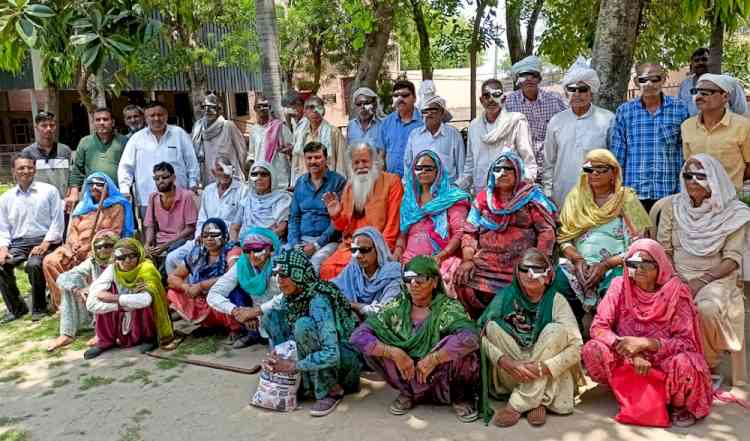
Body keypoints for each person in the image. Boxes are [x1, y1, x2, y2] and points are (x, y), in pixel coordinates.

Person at [582, 239, 713, 427]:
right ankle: (627, 391)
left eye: (646, 264)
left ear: (660, 265)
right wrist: (632, 351)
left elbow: (687, 342)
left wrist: (646, 344)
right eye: (633, 264)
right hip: (628, 358)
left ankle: (676, 403)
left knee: (688, 363)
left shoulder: (677, 292)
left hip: (665, 361)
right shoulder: (619, 286)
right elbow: (599, 327)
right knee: (593, 349)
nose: (639, 269)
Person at [350, 256, 479, 422]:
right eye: (408, 279)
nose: (413, 285)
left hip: (441, 375)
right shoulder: (396, 306)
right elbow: (357, 336)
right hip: (408, 372)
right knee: (374, 344)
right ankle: (408, 392)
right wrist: (394, 352)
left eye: (420, 279)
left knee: (462, 348)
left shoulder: (448, 307)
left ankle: (459, 396)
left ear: (434, 282)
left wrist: (434, 358)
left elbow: (471, 337)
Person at [656, 154, 750, 375]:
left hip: (715, 278)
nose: (692, 181)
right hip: (674, 274)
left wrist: (701, 281)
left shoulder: (733, 213)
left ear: (714, 178)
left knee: (706, 309)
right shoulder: (673, 206)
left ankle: (706, 363)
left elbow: (732, 258)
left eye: (701, 176)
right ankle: (669, 363)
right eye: (688, 175)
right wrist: (676, 278)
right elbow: (664, 250)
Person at [479, 248, 583, 427]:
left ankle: (518, 404)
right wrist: (505, 362)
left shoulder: (556, 300)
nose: (530, 274)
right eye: (524, 269)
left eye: (536, 269)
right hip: (515, 371)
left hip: (545, 370)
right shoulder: (505, 297)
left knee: (556, 331)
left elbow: (577, 348)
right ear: (517, 273)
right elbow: (478, 335)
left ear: (548, 275)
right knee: (491, 328)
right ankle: (538, 400)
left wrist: (542, 367)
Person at [454, 152, 556, 319]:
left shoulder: (531, 197)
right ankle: (480, 323)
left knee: (531, 285)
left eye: (508, 169)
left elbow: (546, 231)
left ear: (518, 171)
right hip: (485, 263)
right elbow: (470, 231)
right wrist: (467, 260)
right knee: (461, 279)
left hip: (519, 264)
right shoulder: (483, 198)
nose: (503, 173)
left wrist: (537, 263)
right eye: (498, 169)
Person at [261, 249, 362, 417]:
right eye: (277, 275)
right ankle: (301, 384)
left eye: (284, 274)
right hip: (316, 353)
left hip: (343, 362)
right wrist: (278, 356)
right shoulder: (292, 297)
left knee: (303, 325)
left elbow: (332, 353)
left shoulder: (318, 299)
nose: (279, 281)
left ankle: (331, 390)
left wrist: (292, 365)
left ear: (298, 273)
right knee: (270, 317)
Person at [557, 149, 651, 316]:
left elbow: (641, 246)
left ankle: (608, 331)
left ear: (613, 172)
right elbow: (564, 239)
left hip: (617, 264)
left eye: (601, 169)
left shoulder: (627, 198)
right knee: (557, 280)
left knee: (616, 284)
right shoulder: (574, 198)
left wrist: (605, 265)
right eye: (589, 169)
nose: (594, 173)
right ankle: (574, 330)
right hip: (580, 264)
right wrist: (578, 260)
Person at [43, 173, 133, 308]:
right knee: (50, 261)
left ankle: (91, 302)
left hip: (100, 247)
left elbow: (114, 233)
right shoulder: (82, 206)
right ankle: (64, 304)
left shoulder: (117, 206)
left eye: (100, 184)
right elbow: (72, 231)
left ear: (108, 187)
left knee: (94, 260)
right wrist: (74, 243)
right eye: (92, 184)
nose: (95, 187)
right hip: (75, 247)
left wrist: (90, 246)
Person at [610, 63, 689, 212]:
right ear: (635, 82)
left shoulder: (680, 109)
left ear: (664, 79)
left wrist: (682, 187)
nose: (649, 84)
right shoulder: (625, 111)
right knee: (636, 234)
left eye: (655, 79)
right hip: (633, 193)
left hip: (669, 191)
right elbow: (617, 155)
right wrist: (617, 190)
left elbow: (685, 151)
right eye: (643, 79)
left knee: (665, 234)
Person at [319, 142, 404, 280]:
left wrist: (381, 252)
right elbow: (343, 227)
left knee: (351, 272)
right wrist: (336, 216)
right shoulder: (350, 186)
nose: (360, 166)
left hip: (377, 246)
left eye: (365, 161)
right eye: (356, 162)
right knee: (327, 269)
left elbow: (393, 226)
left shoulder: (392, 182)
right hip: (350, 245)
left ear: (375, 162)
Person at [0, 153, 64, 322]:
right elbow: (3, 228)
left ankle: (39, 307)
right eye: (21, 168)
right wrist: (3, 249)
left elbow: (58, 222)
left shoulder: (49, 191)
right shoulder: (6, 198)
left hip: (45, 239)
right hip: (19, 244)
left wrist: (45, 243)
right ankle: (16, 309)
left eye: (29, 167)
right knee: (1, 265)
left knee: (35, 264)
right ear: (13, 171)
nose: (26, 171)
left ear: (35, 169)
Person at [84, 238, 174, 359]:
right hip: (123, 310)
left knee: (147, 294)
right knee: (108, 290)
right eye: (121, 257)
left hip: (141, 314)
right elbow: (91, 303)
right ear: (116, 259)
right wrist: (120, 305)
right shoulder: (113, 269)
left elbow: (145, 300)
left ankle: (150, 338)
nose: (127, 261)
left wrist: (116, 298)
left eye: (132, 256)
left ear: (139, 255)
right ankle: (105, 341)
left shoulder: (146, 268)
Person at [395, 150, 469, 295]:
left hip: (441, 257)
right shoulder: (409, 199)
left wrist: (441, 256)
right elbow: (403, 233)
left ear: (438, 171)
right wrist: (398, 249)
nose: (423, 171)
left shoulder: (451, 197)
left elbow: (460, 232)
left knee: (439, 282)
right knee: (392, 277)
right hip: (409, 258)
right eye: (418, 168)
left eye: (428, 168)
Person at [543, 58, 614, 206]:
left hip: (598, 194)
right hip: (562, 194)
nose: (577, 94)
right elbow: (549, 161)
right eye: (572, 89)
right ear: (566, 92)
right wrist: (547, 193)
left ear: (591, 92)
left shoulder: (608, 119)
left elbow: (614, 160)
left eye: (582, 89)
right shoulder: (556, 121)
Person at [165, 156, 246, 273]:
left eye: (227, 169)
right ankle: (184, 288)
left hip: (226, 241)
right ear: (213, 172)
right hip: (204, 238)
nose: (225, 174)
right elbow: (202, 219)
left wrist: (227, 240)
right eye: (220, 170)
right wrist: (200, 235)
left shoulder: (242, 190)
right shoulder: (208, 190)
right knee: (172, 259)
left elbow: (239, 224)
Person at [118, 101, 200, 218]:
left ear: (166, 115)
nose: (156, 118)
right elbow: (126, 167)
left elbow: (191, 162)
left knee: (181, 233)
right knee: (150, 232)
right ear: (145, 118)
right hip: (147, 197)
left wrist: (193, 184)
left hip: (178, 196)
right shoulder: (136, 139)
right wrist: (125, 189)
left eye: (160, 115)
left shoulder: (179, 134)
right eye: (152, 115)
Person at [459, 78, 537, 194]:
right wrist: (457, 187)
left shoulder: (515, 122)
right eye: (487, 96)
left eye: (496, 94)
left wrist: (520, 191)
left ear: (503, 98)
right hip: (482, 194)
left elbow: (529, 163)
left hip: (510, 195)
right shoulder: (474, 126)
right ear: (481, 100)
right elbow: (470, 165)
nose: (491, 100)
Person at [207, 227, 282, 348]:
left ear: (270, 248)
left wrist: (256, 311)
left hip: (285, 314)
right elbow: (213, 294)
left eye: (257, 249)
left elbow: (288, 297)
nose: (252, 255)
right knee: (235, 292)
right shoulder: (242, 265)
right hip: (258, 316)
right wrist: (237, 311)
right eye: (247, 250)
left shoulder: (281, 265)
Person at [46, 230, 119, 352]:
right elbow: (62, 278)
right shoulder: (92, 262)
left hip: (118, 303)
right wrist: (77, 289)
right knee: (72, 282)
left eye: (107, 246)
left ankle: (101, 332)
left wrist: (92, 289)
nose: (102, 250)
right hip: (95, 304)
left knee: (103, 291)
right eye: (98, 247)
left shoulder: (122, 259)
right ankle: (67, 334)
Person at [167, 219, 243, 333]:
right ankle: (209, 326)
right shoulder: (198, 253)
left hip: (222, 297)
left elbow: (232, 276)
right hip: (203, 298)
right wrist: (186, 287)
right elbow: (173, 277)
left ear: (225, 236)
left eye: (214, 235)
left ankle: (235, 329)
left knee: (233, 291)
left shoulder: (233, 250)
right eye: (205, 235)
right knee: (174, 291)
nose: (209, 239)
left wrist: (202, 286)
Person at [681, 74, 750, 192]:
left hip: (731, 199)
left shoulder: (743, 126)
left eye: (705, 92)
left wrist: (729, 183)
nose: (698, 96)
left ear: (725, 96)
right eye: (696, 92)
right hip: (698, 199)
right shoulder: (687, 126)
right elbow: (689, 163)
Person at [505, 55, 567, 179]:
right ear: (517, 81)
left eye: (533, 75)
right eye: (524, 76)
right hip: (521, 170)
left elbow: (568, 127)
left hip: (550, 169)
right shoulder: (508, 103)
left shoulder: (554, 100)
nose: (529, 80)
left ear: (539, 79)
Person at [288, 142, 346, 271]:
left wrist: (316, 245)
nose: (313, 161)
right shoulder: (300, 182)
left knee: (314, 264)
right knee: (284, 262)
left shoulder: (338, 182)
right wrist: (295, 244)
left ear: (326, 159)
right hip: (301, 239)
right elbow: (294, 217)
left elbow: (337, 222)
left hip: (327, 241)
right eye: (309, 158)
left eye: (317, 157)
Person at [66, 107, 128, 212]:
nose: (101, 122)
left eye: (105, 119)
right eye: (98, 120)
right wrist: (74, 192)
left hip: (118, 194)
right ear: (93, 123)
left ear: (112, 122)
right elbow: (77, 170)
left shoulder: (124, 141)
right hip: (93, 195)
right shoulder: (85, 142)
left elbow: (130, 169)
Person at [333, 227, 401, 318]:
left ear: (378, 249)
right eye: (354, 250)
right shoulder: (353, 269)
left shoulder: (392, 274)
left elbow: (385, 311)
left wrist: (354, 305)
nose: (358, 256)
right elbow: (331, 289)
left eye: (364, 250)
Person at [403, 88, 465, 182]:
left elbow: (462, 170)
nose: (429, 114)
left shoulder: (453, 135)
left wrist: (455, 192)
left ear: (442, 112)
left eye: (433, 110)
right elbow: (408, 167)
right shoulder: (414, 135)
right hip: (421, 192)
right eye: (425, 111)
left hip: (447, 192)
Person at [143, 162, 198, 265]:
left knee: (172, 255)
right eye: (156, 179)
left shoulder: (186, 196)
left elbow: (190, 228)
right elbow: (150, 225)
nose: (160, 181)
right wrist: (147, 244)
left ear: (173, 177)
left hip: (180, 241)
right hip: (160, 243)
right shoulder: (153, 197)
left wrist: (166, 245)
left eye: (164, 177)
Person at [192, 93, 248, 187]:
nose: (208, 110)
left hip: (232, 179)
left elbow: (241, 151)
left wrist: (243, 171)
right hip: (210, 180)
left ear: (219, 110)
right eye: (205, 107)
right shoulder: (198, 129)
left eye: (212, 107)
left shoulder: (228, 126)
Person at [290, 96, 347, 184]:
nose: (315, 111)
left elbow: (341, 162)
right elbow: (296, 162)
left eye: (319, 107)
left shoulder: (333, 132)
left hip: (328, 183)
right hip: (305, 184)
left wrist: (339, 184)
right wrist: (294, 183)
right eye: (311, 107)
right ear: (305, 112)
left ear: (324, 111)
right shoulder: (300, 133)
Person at [677, 48, 748, 117]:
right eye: (696, 60)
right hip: (692, 127)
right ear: (692, 64)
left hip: (723, 127)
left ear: (712, 61)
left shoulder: (729, 82)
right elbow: (680, 108)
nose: (700, 62)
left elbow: (741, 110)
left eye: (704, 59)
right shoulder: (685, 84)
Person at [231, 161, 291, 241]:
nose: (259, 178)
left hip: (270, 246)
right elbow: (234, 227)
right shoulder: (247, 200)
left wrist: (261, 243)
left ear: (272, 177)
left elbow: (281, 229)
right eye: (254, 174)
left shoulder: (281, 199)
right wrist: (234, 244)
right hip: (244, 245)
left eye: (264, 174)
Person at [21, 111, 73, 202]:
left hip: (62, 202)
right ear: (36, 128)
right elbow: (24, 179)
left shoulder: (65, 150)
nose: (48, 128)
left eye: (52, 125)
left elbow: (72, 175)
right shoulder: (27, 153)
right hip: (38, 203)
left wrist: (71, 193)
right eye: (44, 126)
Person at [379, 80, 424, 178]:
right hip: (392, 182)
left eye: (405, 95)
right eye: (396, 96)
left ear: (415, 98)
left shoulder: (423, 122)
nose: (400, 99)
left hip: (417, 181)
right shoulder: (387, 122)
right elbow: (381, 155)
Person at [248, 95, 294, 190]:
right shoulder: (253, 130)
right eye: (259, 106)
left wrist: (289, 150)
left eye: (265, 106)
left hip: (280, 179)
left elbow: (293, 148)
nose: (262, 108)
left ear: (269, 108)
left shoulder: (280, 127)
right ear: (254, 108)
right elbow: (252, 154)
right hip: (261, 177)